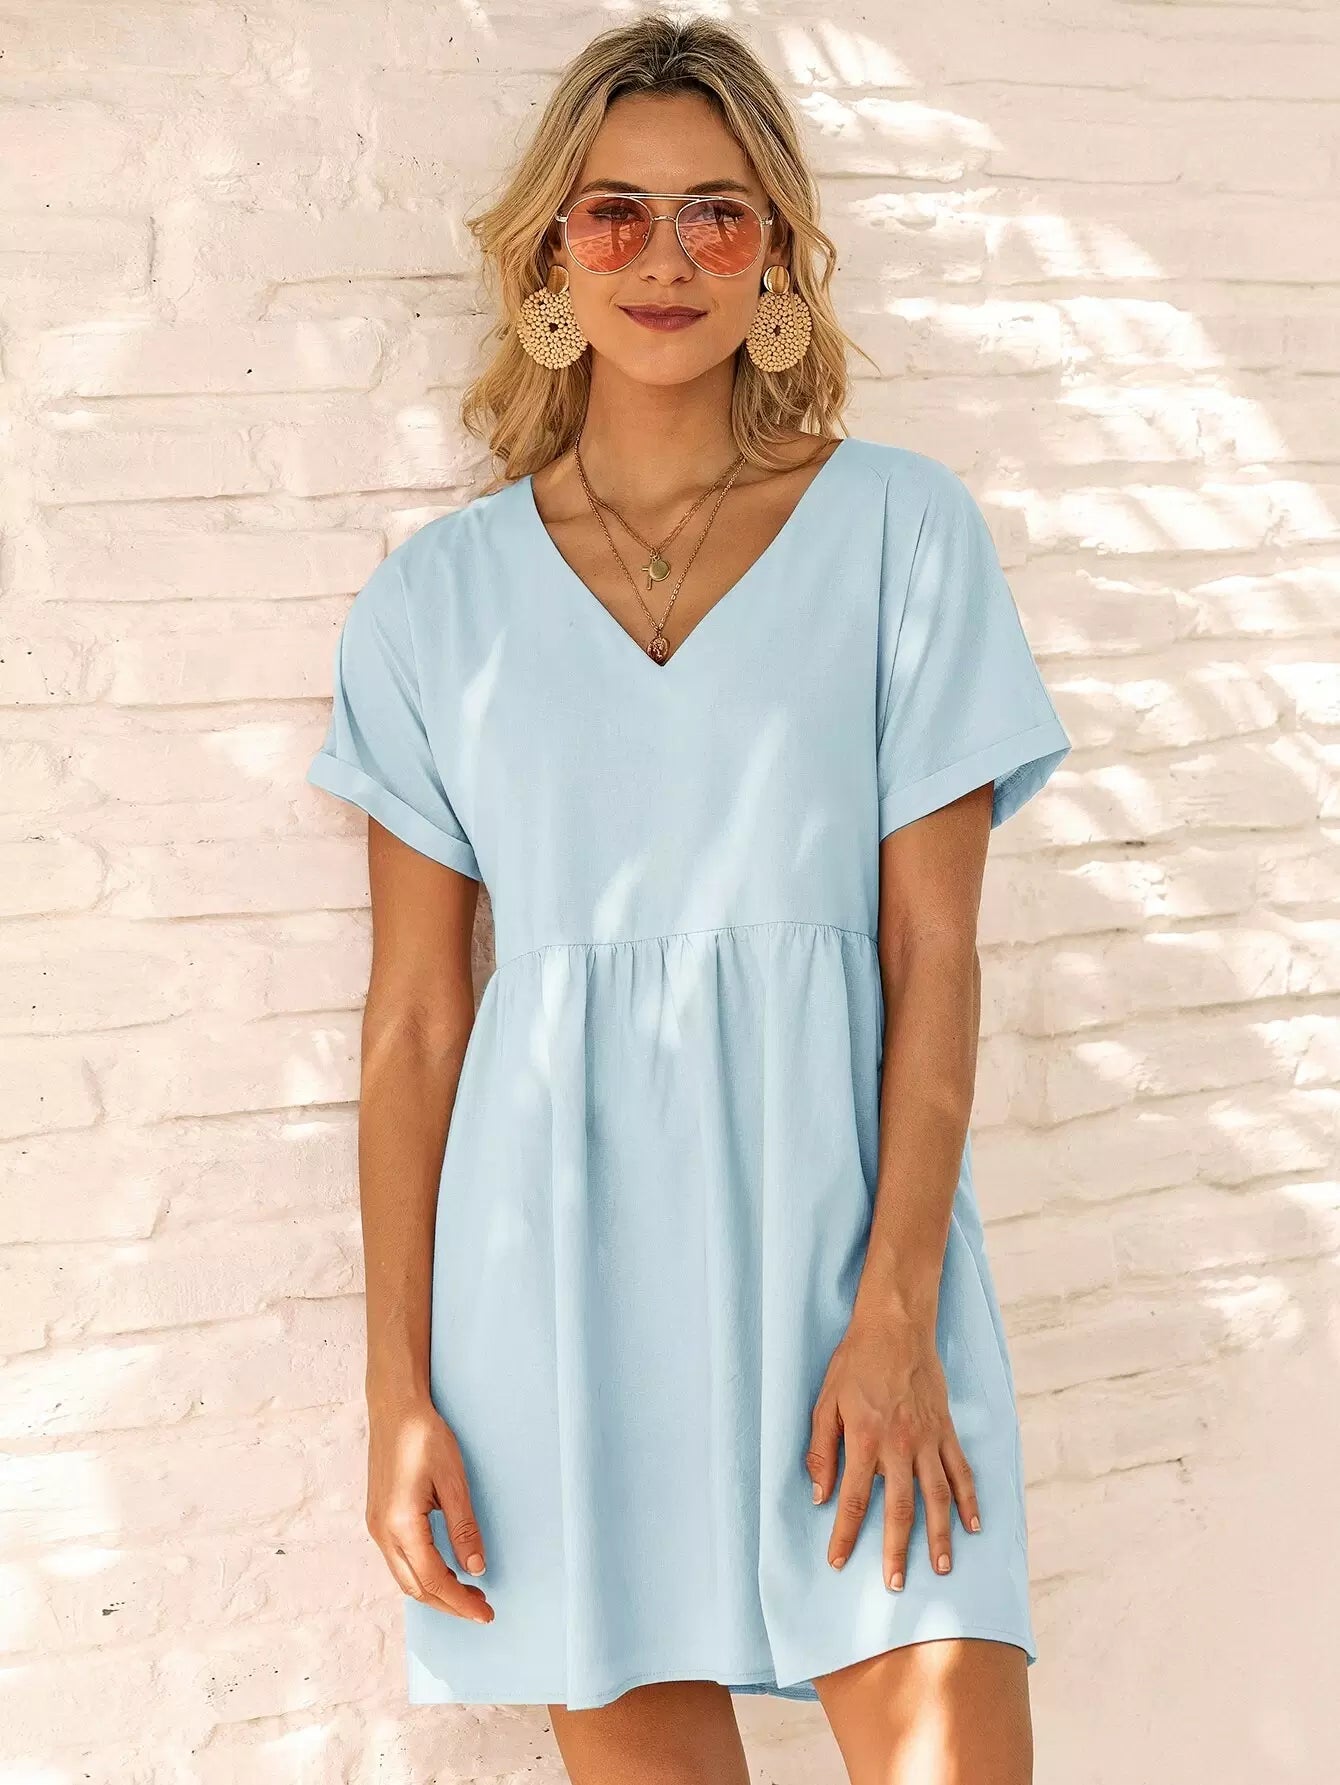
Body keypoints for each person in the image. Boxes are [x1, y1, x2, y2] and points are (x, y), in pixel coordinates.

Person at [304, 12, 1071, 1783]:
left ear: (778, 255)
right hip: (555, 1308)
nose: (667, 257)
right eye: (618, 212)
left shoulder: (902, 534)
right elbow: (415, 1021)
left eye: (719, 213)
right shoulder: (432, 606)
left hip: (850, 1279)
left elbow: (933, 954)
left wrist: (897, 1310)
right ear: (550, 255)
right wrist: (399, 1390)